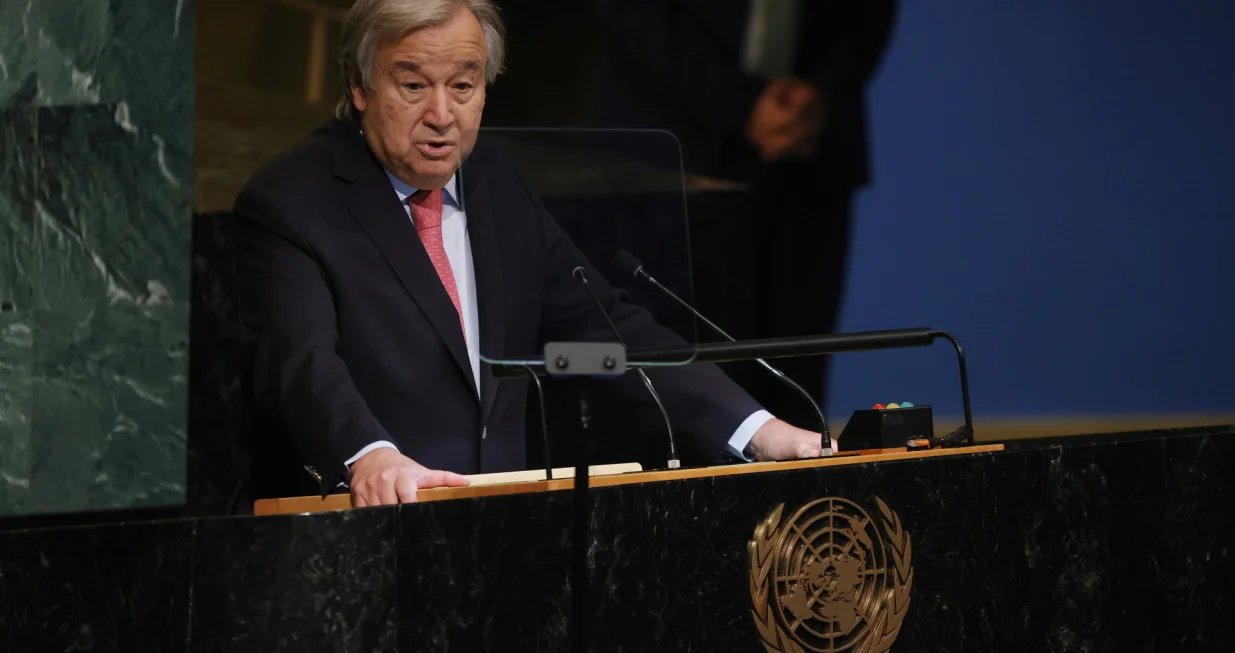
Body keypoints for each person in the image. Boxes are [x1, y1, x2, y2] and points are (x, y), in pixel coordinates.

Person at [233, 0, 822, 509]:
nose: (442, 115)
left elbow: (596, 337)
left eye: (463, 86)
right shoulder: (293, 203)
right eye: (413, 85)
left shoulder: (493, 182)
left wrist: (755, 428)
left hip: (502, 537)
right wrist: (369, 457)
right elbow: (300, 364)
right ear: (360, 87)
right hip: (359, 539)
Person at [590, 0, 898, 430]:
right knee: (674, 370)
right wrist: (742, 105)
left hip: (811, 153)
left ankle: (798, 495)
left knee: (796, 377)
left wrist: (822, 91)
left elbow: (868, 17)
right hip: (671, 148)